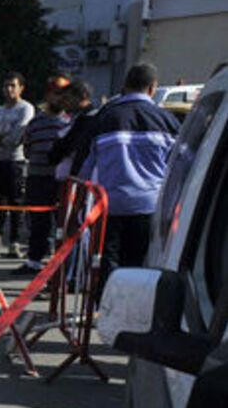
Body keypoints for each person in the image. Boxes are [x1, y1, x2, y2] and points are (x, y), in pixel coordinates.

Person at [80, 62, 181, 288]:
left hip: (109, 205)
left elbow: (86, 166)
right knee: (137, 264)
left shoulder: (105, 118)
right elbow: (182, 166)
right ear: (153, 88)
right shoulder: (167, 120)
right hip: (148, 206)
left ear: (125, 86)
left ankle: (106, 309)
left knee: (108, 261)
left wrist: (80, 202)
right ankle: (131, 313)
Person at [15, 76, 73, 275]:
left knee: (62, 224)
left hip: (61, 180)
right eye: (57, 94)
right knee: (38, 221)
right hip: (37, 177)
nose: (61, 98)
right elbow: (27, 148)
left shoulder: (70, 121)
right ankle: (34, 261)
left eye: (64, 94)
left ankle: (60, 263)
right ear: (48, 95)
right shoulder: (36, 121)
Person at [0, 73, 35, 257]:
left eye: (12, 85)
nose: (9, 89)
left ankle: (15, 241)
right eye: (6, 86)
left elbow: (16, 138)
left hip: (15, 162)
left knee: (16, 202)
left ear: (21, 88)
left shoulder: (25, 109)